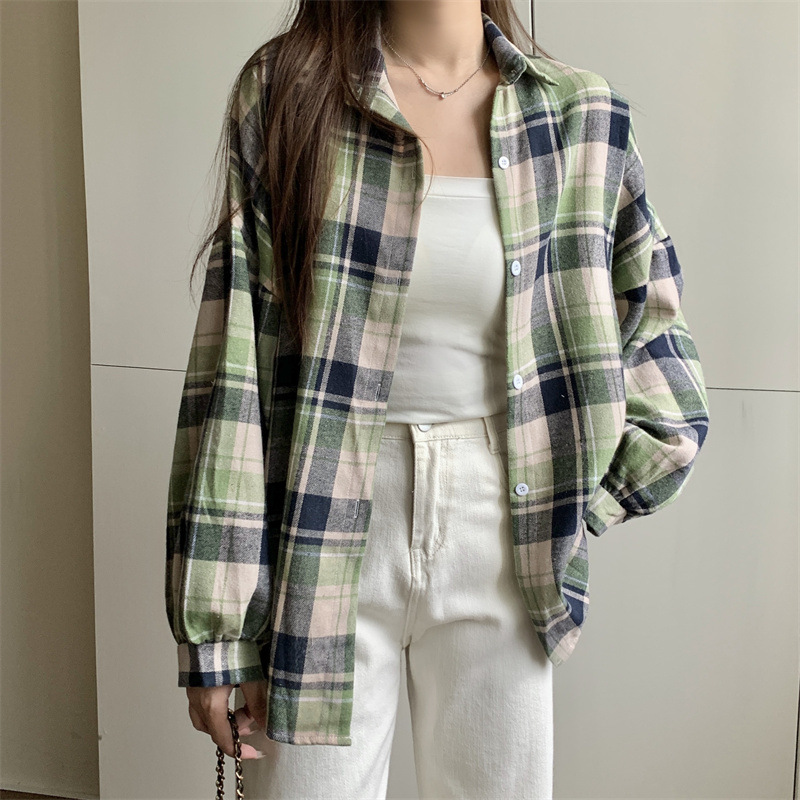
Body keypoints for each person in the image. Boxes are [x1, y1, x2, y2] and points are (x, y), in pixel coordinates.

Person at [164, 1, 711, 798]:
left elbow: (660, 349)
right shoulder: (288, 90)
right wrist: (217, 632)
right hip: (322, 521)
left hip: (502, 525)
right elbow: (233, 361)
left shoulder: (580, 117)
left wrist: (577, 505)